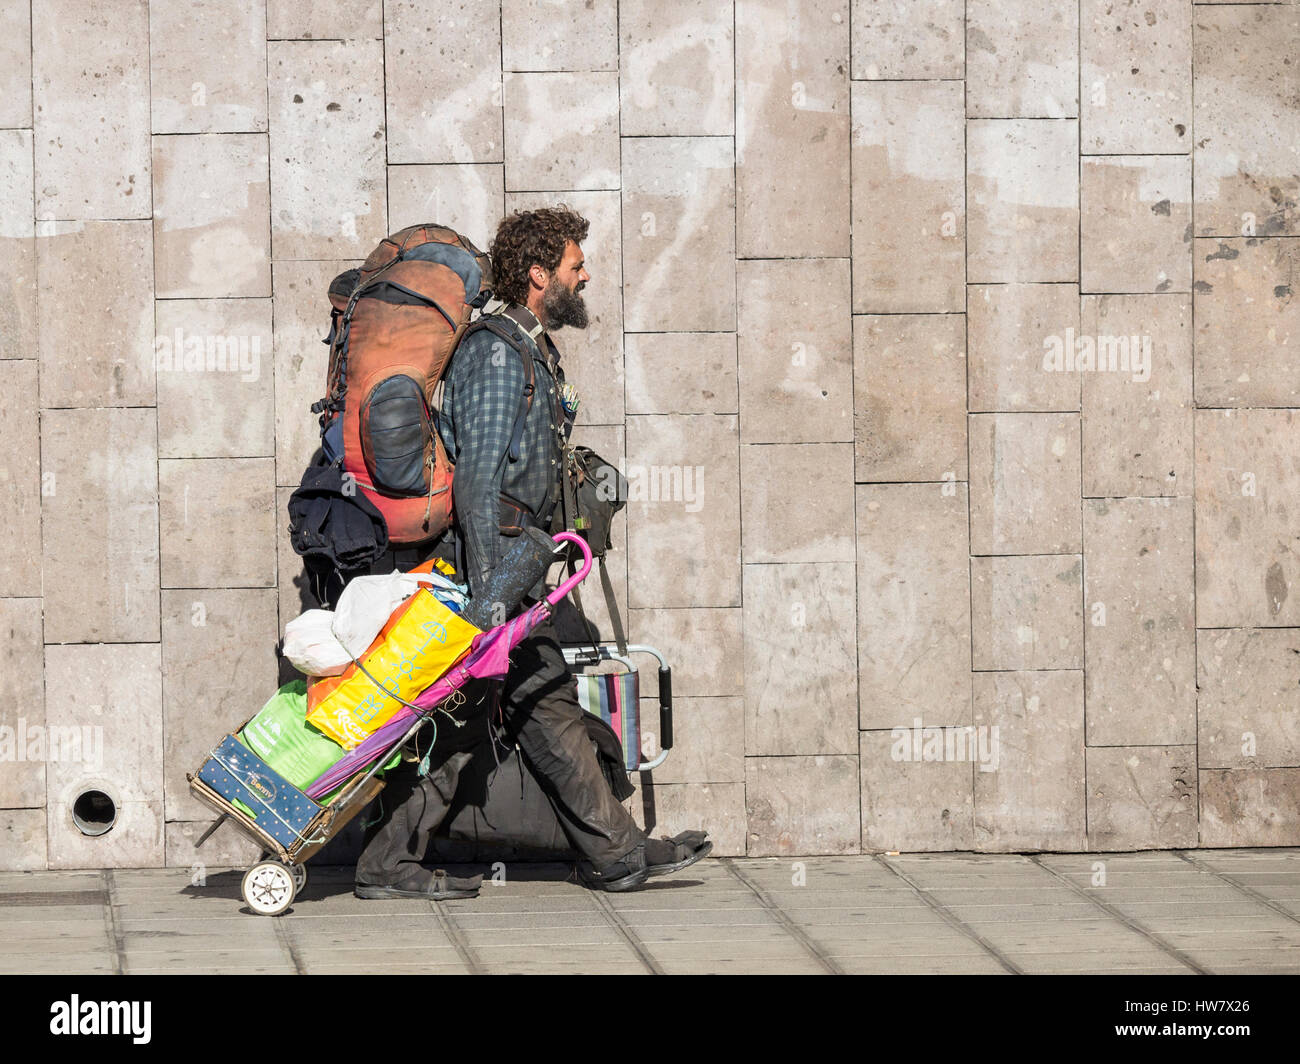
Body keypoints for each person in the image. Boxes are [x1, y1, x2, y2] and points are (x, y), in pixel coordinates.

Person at [355, 206, 711, 898]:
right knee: (463, 717)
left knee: (541, 703)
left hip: (518, 565)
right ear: (539, 274)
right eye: (577, 266)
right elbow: (480, 476)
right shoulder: (497, 353)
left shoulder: (531, 349)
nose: (586, 276)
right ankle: (384, 863)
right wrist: (490, 591)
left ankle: (616, 854)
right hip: (493, 568)